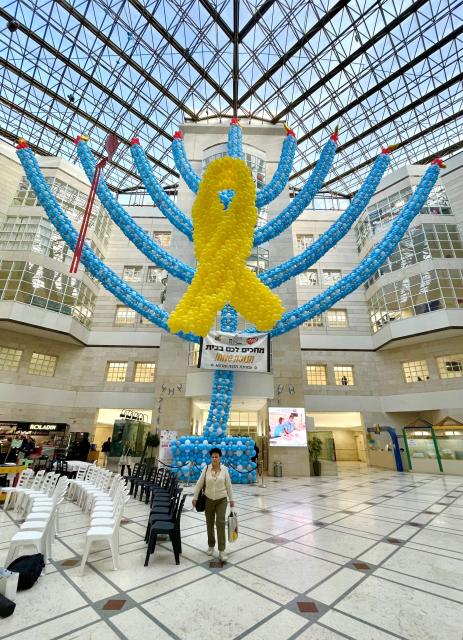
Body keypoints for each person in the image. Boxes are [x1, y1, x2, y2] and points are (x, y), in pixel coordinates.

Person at [192, 447, 234, 562]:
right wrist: (195, 497)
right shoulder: (206, 468)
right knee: (209, 523)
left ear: (220, 458)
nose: (214, 458)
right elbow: (199, 483)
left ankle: (222, 550)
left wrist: (231, 500)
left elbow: (229, 486)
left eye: (216, 456)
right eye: (213, 456)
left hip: (221, 500)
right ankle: (211, 545)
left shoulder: (225, 469)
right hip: (208, 499)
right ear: (210, 458)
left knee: (220, 522)